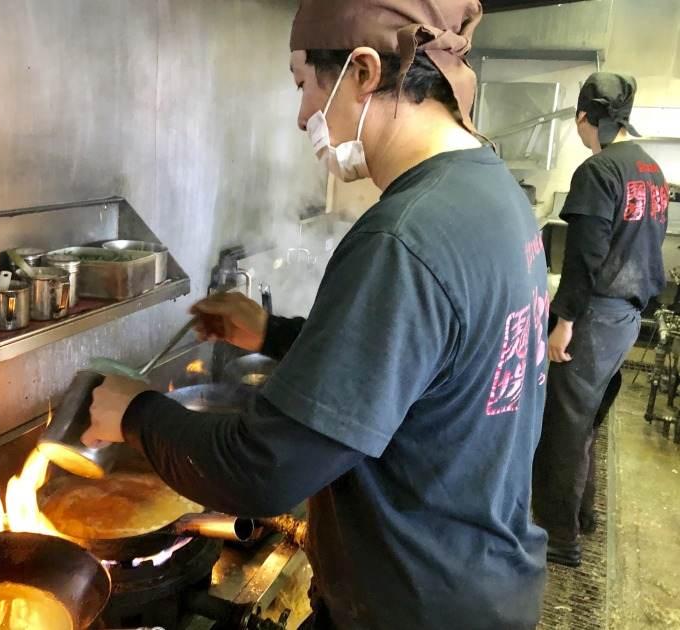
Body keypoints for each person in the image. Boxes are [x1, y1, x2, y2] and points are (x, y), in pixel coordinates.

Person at [83, 1, 548, 627]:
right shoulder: (490, 191)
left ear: (363, 71)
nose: (304, 114)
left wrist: (134, 412)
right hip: (479, 579)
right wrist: (271, 332)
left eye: (305, 84)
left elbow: (263, 470)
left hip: (412, 606)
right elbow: (422, 365)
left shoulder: (404, 236)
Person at [533, 73, 668, 568]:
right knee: (586, 421)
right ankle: (582, 514)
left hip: (594, 319)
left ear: (585, 117)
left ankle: (557, 537)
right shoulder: (650, 169)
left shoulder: (598, 171)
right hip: (629, 318)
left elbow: (584, 258)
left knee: (563, 427)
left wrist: (563, 321)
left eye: (581, 123)